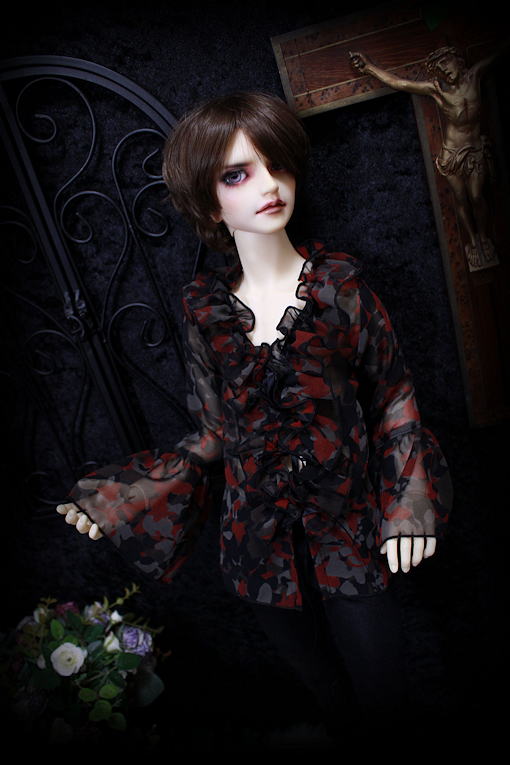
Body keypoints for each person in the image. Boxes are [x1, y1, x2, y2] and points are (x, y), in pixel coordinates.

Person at [56, 91, 452, 729]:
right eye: (237, 174)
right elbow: (214, 433)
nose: (269, 186)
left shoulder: (339, 289)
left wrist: (409, 505)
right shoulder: (205, 311)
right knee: (325, 695)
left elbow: (393, 394)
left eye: (277, 165)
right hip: (255, 541)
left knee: (386, 694)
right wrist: (122, 500)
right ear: (210, 201)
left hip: (347, 525)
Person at [349, 47, 499, 271]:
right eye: (439, 69)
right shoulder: (437, 89)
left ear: (457, 60)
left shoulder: (475, 76)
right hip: (452, 154)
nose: (444, 70)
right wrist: (369, 67)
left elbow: (497, 54)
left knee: (477, 196)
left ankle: (484, 236)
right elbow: (400, 83)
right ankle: (473, 240)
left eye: (446, 63)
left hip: (475, 149)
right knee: (461, 199)